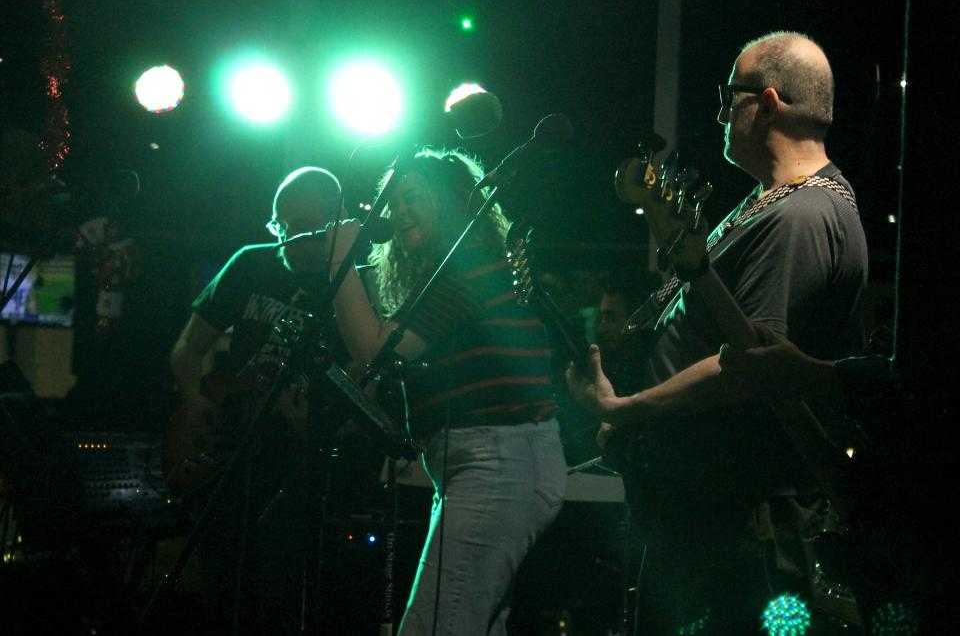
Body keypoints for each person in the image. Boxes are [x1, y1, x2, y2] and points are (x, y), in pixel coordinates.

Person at [567, 31, 868, 634]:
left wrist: (627, 409)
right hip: (708, 512)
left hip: (739, 528)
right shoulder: (770, 202)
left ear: (771, 102)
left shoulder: (803, 215)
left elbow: (746, 368)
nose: (722, 111)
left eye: (731, 95)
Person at [325, 148, 567, 635]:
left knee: (434, 628)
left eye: (411, 198)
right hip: (490, 464)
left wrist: (339, 258)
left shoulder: (465, 269)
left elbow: (376, 350)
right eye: (392, 204)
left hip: (496, 464)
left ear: (452, 202)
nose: (398, 214)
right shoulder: (461, 270)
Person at [168, 166, 348, 634]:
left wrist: (310, 419)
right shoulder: (251, 262)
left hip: (294, 462)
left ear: (334, 225)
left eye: (303, 230)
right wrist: (194, 400)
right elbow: (188, 348)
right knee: (221, 576)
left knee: (280, 585)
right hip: (230, 450)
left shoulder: (354, 285)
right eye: (282, 228)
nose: (289, 240)